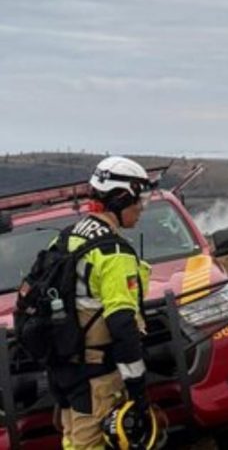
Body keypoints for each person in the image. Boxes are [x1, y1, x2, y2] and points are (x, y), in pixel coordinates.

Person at [46, 156, 154, 449]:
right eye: (139, 199)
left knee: (74, 441)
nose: (141, 207)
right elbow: (122, 324)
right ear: (120, 198)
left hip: (65, 370)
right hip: (97, 376)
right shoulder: (114, 253)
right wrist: (138, 391)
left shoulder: (68, 237)